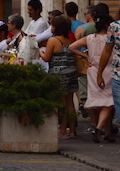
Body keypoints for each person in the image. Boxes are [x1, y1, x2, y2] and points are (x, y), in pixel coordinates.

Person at [69, 14, 115, 143]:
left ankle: (108, 132)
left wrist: (86, 57)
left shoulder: (89, 38)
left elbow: (72, 47)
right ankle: (100, 129)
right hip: (108, 71)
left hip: (93, 71)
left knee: (100, 102)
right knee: (109, 103)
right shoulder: (111, 38)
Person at [41, 15, 78, 138]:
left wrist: (39, 52)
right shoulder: (70, 40)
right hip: (72, 72)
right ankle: (72, 131)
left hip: (59, 74)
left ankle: (62, 130)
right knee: (70, 103)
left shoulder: (53, 40)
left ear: (56, 27)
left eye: (52, 25)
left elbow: (47, 58)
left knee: (61, 104)